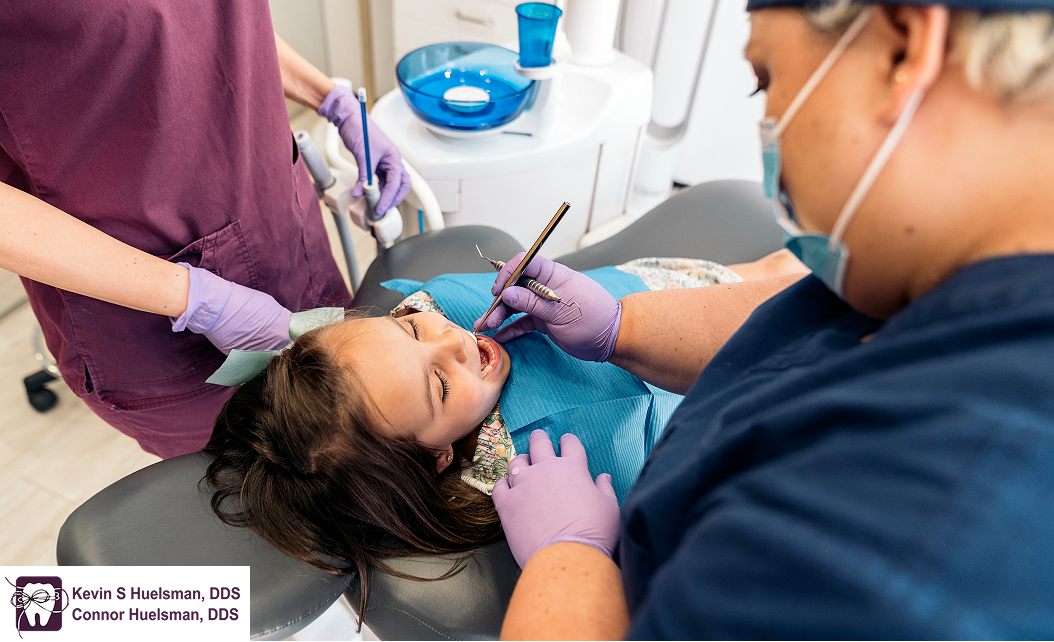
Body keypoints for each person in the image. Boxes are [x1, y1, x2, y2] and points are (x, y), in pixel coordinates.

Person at [474, 0, 1054, 637]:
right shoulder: (930, 265)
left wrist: (567, 564)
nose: (768, 124)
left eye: (766, 78)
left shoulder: (911, 541)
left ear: (903, 48)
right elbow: (811, 330)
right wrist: (622, 326)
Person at [198, 253, 804, 622]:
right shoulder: (510, 470)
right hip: (750, 398)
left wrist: (621, 324)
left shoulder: (441, 309)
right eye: (439, 386)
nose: (452, 340)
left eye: (409, 328)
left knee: (778, 275)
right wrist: (571, 550)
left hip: (674, 295)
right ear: (437, 456)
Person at [0, 0, 410, 458]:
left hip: (281, 227)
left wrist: (330, 99)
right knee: (258, 480)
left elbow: (207, 24)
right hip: (143, 302)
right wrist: (197, 300)